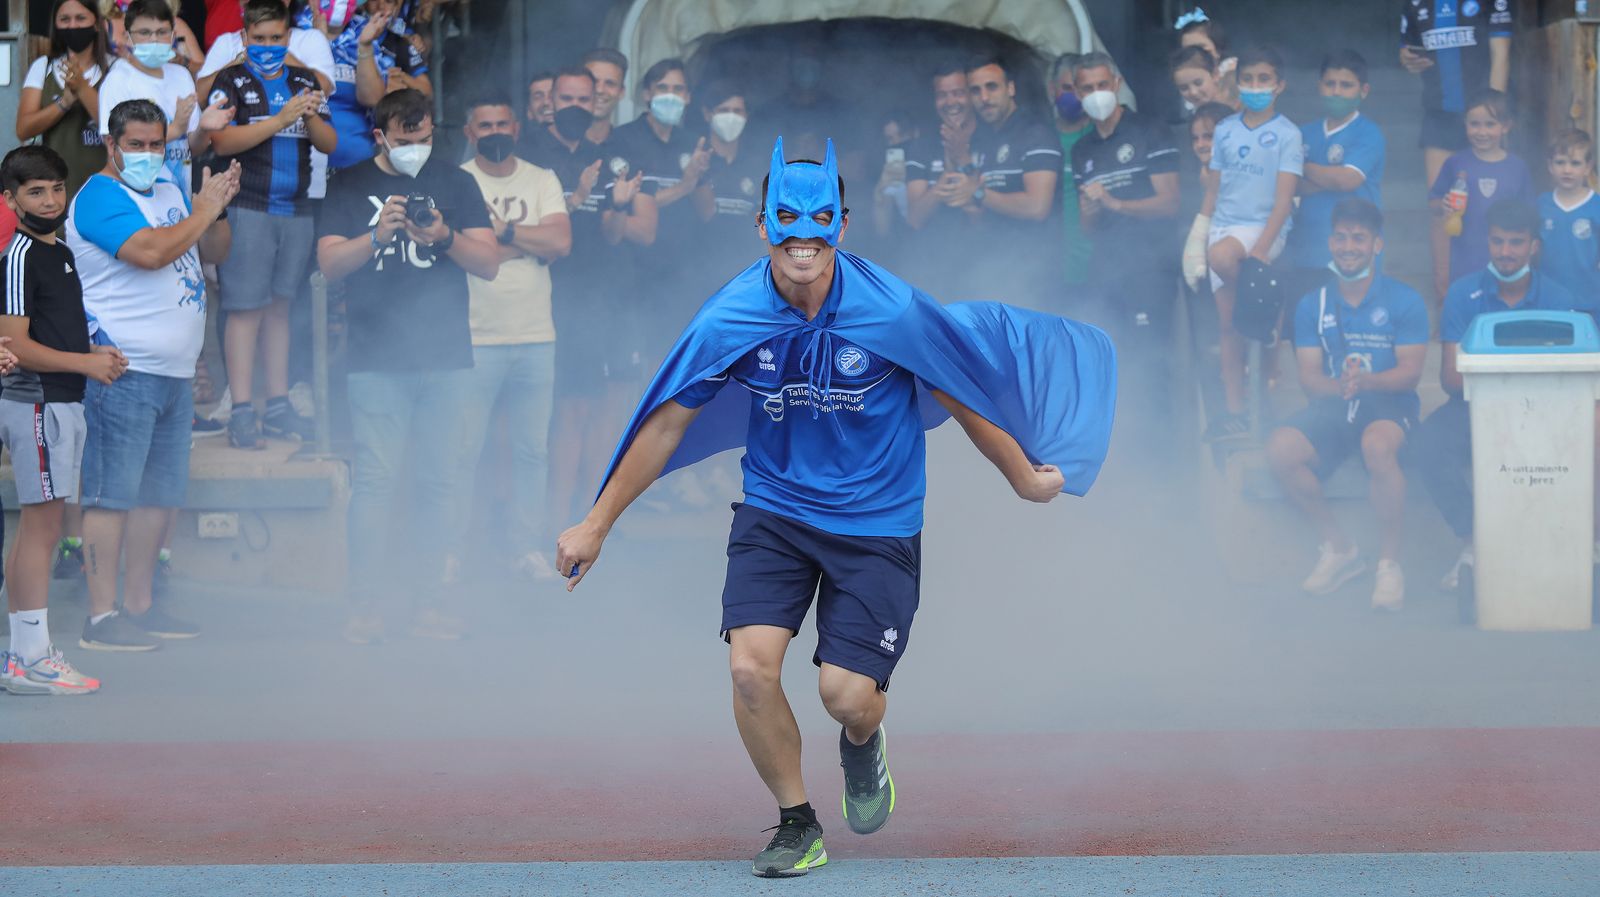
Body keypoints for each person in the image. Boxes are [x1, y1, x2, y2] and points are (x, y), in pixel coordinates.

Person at [554, 138, 1116, 878]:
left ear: (842, 226)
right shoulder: (732, 315)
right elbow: (665, 421)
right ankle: (796, 821)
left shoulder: (890, 308)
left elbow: (964, 392)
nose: (803, 239)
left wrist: (1022, 477)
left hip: (876, 522)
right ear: (762, 225)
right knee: (751, 670)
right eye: (786, 221)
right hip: (776, 511)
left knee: (845, 696)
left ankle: (861, 744)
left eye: (819, 222)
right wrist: (597, 521)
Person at [315, 88, 497, 644]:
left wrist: (443, 236)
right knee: (376, 482)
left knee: (443, 482)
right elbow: (327, 264)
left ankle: (433, 601)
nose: (415, 149)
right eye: (403, 141)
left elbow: (488, 262)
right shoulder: (348, 184)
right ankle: (364, 605)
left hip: (445, 357)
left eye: (422, 140)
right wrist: (376, 235)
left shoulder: (456, 182)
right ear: (379, 137)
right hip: (375, 359)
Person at [68, 98, 239, 652]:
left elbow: (216, 249)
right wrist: (200, 213)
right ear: (112, 145)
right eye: (134, 145)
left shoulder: (168, 186)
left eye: (155, 144)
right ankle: (100, 617)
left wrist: (217, 210)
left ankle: (139, 605)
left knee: (158, 497)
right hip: (123, 369)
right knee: (110, 495)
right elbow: (151, 253)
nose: (147, 154)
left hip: (173, 373)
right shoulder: (98, 197)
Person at [1414, 200, 1600, 589]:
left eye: (1516, 243)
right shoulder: (1463, 294)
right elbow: (1450, 378)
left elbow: (1573, 379)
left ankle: (1581, 543)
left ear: (1534, 246)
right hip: (1473, 407)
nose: (1506, 252)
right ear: (1487, 242)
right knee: (1426, 445)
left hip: (1545, 412)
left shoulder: (1558, 298)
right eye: (1498, 242)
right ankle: (1474, 542)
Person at [1266, 199, 1426, 611]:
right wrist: (1340, 387)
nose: (1348, 246)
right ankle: (1339, 548)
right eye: (1340, 237)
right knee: (1281, 449)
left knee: (1377, 445)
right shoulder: (1313, 305)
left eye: (1359, 238)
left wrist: (1367, 381)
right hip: (1337, 407)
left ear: (1377, 245)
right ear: (1330, 242)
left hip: (1390, 408)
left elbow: (1409, 374)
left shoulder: (1403, 300)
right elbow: (1309, 379)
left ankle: (1390, 562)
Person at [520, 65, 656, 534]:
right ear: (550, 101)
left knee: (609, 408)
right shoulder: (530, 155)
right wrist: (574, 198)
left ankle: (594, 520)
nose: (576, 107)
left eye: (585, 98)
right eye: (567, 98)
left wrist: (617, 204)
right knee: (570, 409)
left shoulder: (607, 156)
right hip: (557, 298)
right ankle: (556, 524)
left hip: (609, 298)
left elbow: (618, 235)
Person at [0, 146, 109, 695]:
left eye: (56, 189)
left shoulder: (60, 250)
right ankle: (34, 657)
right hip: (38, 403)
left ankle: (21, 655)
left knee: (35, 530)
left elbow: (52, 330)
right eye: (35, 191)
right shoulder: (19, 255)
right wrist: (85, 362)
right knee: (42, 530)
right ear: (10, 199)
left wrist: (94, 350)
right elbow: (16, 346)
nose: (49, 200)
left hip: (61, 402)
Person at [205, 0, 334, 448]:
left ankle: (277, 405)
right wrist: (280, 119)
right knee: (243, 309)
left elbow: (329, 143)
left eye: (275, 38)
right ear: (244, 38)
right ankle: (243, 409)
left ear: (288, 38)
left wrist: (310, 115)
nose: (267, 46)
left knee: (280, 307)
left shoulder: (304, 80)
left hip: (295, 208)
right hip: (248, 205)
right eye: (258, 39)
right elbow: (220, 141)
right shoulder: (231, 80)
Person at [455, 92, 570, 581]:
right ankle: (453, 552)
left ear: (517, 128)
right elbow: (456, 251)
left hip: (535, 336)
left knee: (531, 451)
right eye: (485, 125)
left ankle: (525, 548)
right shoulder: (458, 184)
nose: (495, 132)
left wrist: (499, 234)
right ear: (469, 132)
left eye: (503, 123)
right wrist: (525, 241)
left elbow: (560, 242)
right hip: (475, 338)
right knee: (462, 451)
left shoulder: (542, 179)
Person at [1196, 46, 1302, 440]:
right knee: (1229, 329)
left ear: (1279, 85)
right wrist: (1198, 232)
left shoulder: (1288, 134)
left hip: (1262, 230)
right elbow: (1214, 190)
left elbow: (1283, 201)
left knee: (1224, 259)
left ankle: (1264, 315)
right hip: (1224, 227)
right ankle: (1237, 411)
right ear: (1237, 84)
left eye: (1264, 80)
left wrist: (1260, 250)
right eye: (1248, 80)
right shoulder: (1225, 130)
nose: (1255, 87)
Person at [1071, 52, 1180, 368]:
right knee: (1110, 359)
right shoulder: (1082, 150)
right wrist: (1091, 209)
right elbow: (1087, 228)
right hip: (1106, 269)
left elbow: (1170, 203)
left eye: (1102, 84)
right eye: (1087, 88)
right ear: (1078, 93)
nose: (1096, 94)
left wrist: (1115, 203)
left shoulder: (1150, 130)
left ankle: (1160, 418)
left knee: (1151, 358)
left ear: (1116, 84)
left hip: (1151, 267)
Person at [956, 54, 1061, 309]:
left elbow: (1037, 207)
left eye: (992, 87)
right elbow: (982, 212)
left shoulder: (1035, 132)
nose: (984, 97)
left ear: (1010, 88)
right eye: (975, 90)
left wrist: (977, 194)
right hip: (995, 268)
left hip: (1038, 271)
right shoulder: (982, 139)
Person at [98, 0, 231, 188]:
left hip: (179, 195)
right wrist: (175, 129)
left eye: (162, 32)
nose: (154, 39)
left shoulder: (182, 76)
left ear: (173, 36)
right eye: (144, 33)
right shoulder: (118, 80)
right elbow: (116, 148)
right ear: (128, 37)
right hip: (137, 195)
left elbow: (191, 148)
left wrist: (203, 129)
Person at [1287, 50, 1385, 285]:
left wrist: (1304, 166)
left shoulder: (1369, 133)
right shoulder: (1303, 133)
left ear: (1363, 91)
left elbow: (1348, 180)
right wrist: (1331, 178)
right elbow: (1290, 185)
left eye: (1346, 85)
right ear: (1320, 86)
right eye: (1330, 84)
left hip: (1354, 254)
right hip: (1305, 252)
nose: (1337, 91)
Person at [295, 0, 429, 171]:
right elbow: (305, 91)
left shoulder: (365, 33)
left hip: (356, 163)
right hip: (302, 162)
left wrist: (364, 46)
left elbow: (372, 99)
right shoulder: (291, 33)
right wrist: (319, 42)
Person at [1428, 90, 1530, 302]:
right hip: (1465, 258)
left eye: (1490, 124)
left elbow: (1529, 215)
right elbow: (1434, 201)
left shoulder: (1517, 167)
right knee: (1468, 309)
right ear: (1465, 124)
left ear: (1506, 126)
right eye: (1475, 124)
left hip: (1507, 258)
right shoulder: (1455, 163)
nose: (1481, 131)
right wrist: (1443, 205)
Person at [1401, 0, 1512, 191]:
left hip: (1481, 115)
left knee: (1485, 198)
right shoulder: (1414, 3)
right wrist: (1405, 57)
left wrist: (1494, 114)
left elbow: (1501, 54)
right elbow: (1407, 50)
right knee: (1439, 204)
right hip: (1439, 114)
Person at [16, 0, 111, 203]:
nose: (73, 26)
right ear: (56, 26)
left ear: (96, 24)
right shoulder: (44, 67)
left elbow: (117, 128)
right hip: (56, 191)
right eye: (65, 20)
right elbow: (23, 129)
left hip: (105, 188)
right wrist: (64, 102)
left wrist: (83, 89)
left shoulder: (116, 69)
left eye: (81, 18)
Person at [904, 59, 978, 298]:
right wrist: (944, 181)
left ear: (971, 96)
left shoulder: (992, 138)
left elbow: (984, 209)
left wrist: (963, 156)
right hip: (934, 266)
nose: (951, 103)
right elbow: (915, 217)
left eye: (958, 93)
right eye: (942, 95)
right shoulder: (921, 146)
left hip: (988, 259)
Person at [691, 80, 763, 285]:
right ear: (707, 114)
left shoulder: (756, 165)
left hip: (744, 273)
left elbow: (761, 227)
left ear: (746, 116)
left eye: (737, 111)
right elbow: (706, 214)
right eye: (723, 110)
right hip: (694, 269)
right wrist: (698, 174)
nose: (731, 117)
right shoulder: (696, 160)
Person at [195, 0, 335, 99]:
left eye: (275, 37)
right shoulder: (227, 42)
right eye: (259, 38)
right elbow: (200, 97)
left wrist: (279, 54)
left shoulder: (311, 39)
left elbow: (323, 90)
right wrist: (241, 60)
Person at [1537, 129, 1600, 301]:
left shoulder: (1597, 206)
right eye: (1560, 162)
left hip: (1589, 299)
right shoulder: (1541, 204)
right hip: (1547, 297)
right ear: (1550, 166)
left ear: (1588, 167)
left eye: (1575, 163)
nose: (1567, 170)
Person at [1049, 52, 1091, 289]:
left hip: (1096, 264)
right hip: (1050, 266)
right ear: (1052, 88)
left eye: (1079, 89)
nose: (1073, 97)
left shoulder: (1100, 137)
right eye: (1066, 88)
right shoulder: (1040, 138)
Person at [1175, 7, 1236, 100]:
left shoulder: (1233, 71)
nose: (1195, 54)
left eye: (1201, 48)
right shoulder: (1185, 78)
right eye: (1189, 50)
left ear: (1218, 48)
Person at [1170, 46, 1237, 116]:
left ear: (1215, 74)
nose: (1193, 92)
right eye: (1184, 88)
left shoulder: (1238, 103)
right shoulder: (1195, 115)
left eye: (1198, 83)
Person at [582, 47, 627, 147]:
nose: (600, 90)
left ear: (621, 92)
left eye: (610, 83)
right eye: (593, 81)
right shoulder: (558, 144)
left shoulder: (630, 148)